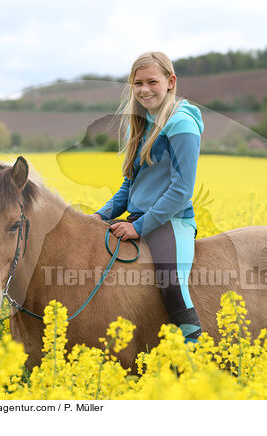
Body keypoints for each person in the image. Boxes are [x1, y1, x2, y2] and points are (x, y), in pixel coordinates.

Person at [90, 51, 204, 343]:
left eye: (152, 81)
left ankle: (192, 345)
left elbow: (181, 191)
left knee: (170, 284)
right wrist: (98, 217)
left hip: (172, 220)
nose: (144, 89)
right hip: (138, 216)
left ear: (170, 82)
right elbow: (130, 186)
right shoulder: (137, 124)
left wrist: (138, 227)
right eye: (137, 83)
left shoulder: (182, 124)